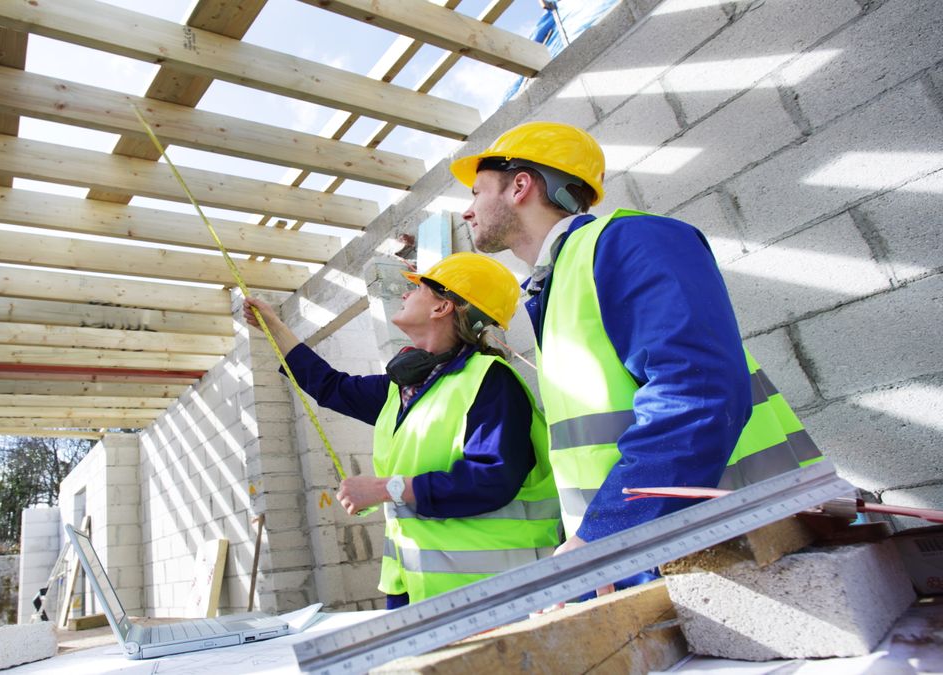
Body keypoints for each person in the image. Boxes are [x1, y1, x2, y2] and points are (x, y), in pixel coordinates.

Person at [450, 122, 823, 594]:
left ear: (520, 185)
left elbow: (696, 394)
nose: (467, 211)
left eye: (477, 191)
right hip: (667, 556)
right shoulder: (561, 279)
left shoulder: (628, 242)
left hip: (751, 547)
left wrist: (605, 535)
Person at [241, 253, 561, 607]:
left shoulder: (490, 381)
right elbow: (330, 386)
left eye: (417, 289)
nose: (405, 295)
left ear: (442, 308)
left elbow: (492, 479)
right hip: (413, 586)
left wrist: (385, 488)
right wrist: (273, 327)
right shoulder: (403, 389)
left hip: (488, 592)